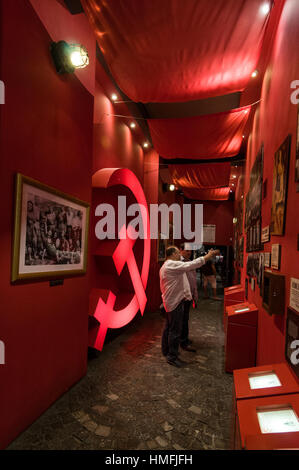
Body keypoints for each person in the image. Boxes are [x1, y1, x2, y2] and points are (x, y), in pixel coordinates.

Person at [160, 246, 219, 367]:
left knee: (169, 328)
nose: (179, 256)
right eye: (177, 253)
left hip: (171, 301)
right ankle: (172, 356)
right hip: (174, 302)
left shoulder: (168, 265)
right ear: (172, 254)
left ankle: (166, 350)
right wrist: (208, 256)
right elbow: (191, 265)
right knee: (175, 331)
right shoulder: (171, 264)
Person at [179, 243, 198, 352]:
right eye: (187, 250)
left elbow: (193, 280)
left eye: (190, 251)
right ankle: (183, 342)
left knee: (185, 319)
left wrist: (195, 295)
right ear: (181, 250)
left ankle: (184, 339)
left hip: (189, 295)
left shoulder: (190, 263)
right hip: (182, 296)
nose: (189, 253)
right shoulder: (179, 263)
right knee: (183, 320)